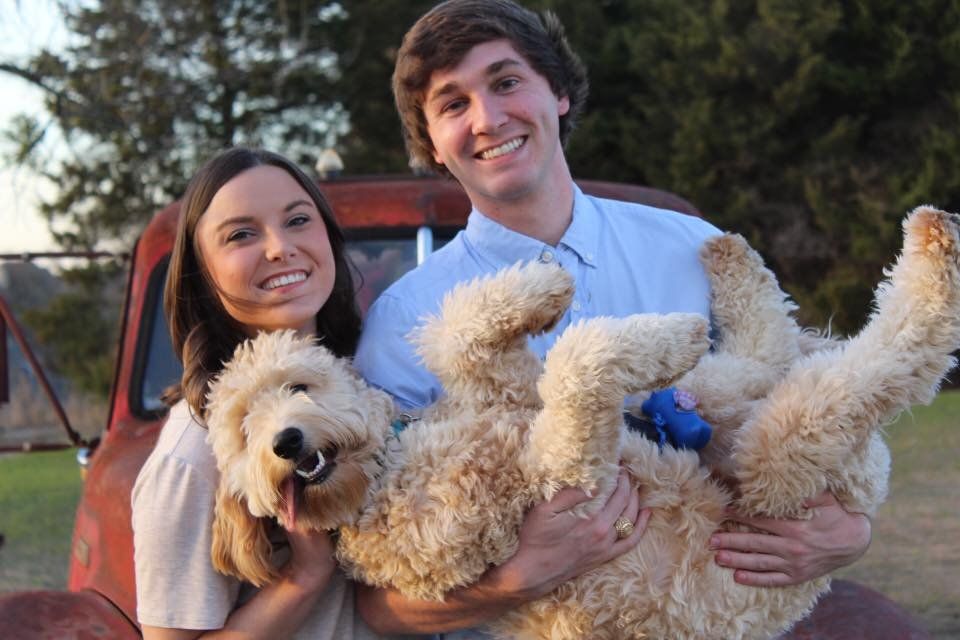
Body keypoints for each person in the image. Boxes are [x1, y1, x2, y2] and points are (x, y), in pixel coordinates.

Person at [353, 0, 872, 635]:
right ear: (431, 142)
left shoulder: (693, 248)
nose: (488, 118)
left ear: (560, 93)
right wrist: (518, 578)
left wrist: (852, 531)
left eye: (506, 81)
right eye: (452, 103)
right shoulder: (404, 321)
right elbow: (372, 602)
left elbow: (820, 410)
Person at [131, 147, 384, 639]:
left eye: (297, 220)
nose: (279, 248)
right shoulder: (191, 453)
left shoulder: (372, 378)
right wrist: (303, 577)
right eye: (242, 235)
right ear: (202, 275)